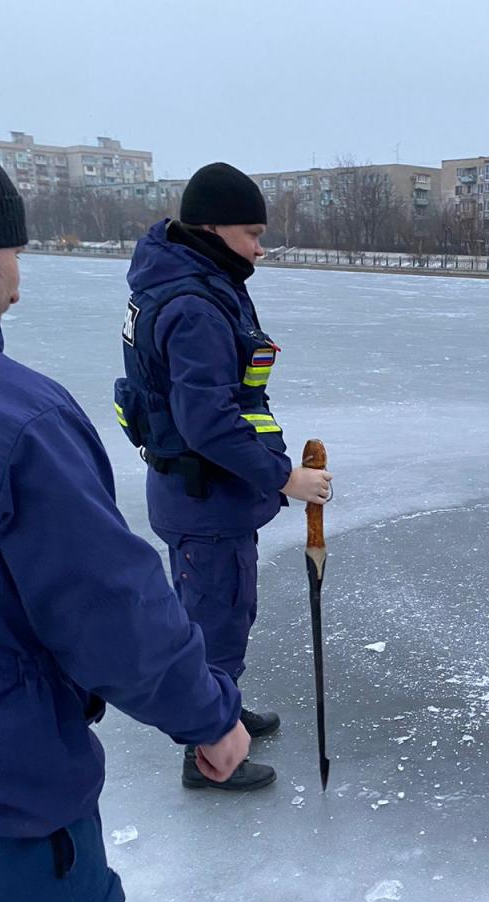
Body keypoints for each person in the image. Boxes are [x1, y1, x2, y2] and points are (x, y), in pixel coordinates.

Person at [0, 163, 251, 902]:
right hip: (13, 806)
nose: (19, 271)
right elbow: (111, 605)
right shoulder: (16, 421)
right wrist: (208, 715)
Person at [115, 162, 332, 792]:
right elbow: (207, 419)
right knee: (215, 621)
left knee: (216, 612)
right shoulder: (193, 303)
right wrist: (283, 478)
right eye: (251, 233)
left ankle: (219, 709)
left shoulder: (191, 278)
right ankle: (207, 754)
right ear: (211, 228)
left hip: (201, 492)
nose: (260, 248)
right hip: (202, 495)